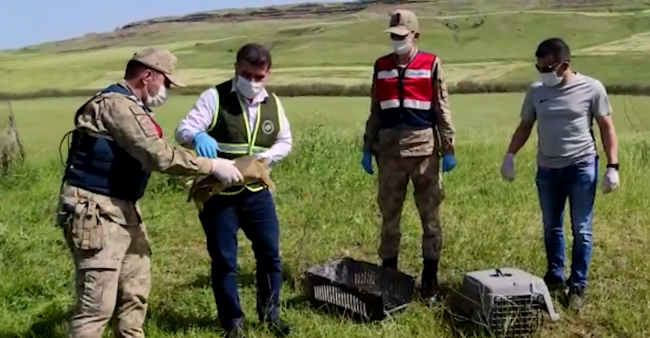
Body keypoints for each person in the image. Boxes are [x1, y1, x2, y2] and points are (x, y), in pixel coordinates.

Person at [56, 47, 245, 338]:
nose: (167, 90)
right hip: (95, 211)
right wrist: (211, 166)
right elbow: (159, 155)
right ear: (147, 76)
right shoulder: (117, 106)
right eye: (166, 82)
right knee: (97, 307)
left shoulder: (135, 107)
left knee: (134, 293)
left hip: (124, 208)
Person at [175, 43, 292, 338]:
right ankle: (232, 323)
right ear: (236, 69)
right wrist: (198, 134)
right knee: (225, 260)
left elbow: (285, 140)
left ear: (268, 74)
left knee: (270, 255)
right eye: (246, 74)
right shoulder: (214, 97)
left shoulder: (273, 104)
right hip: (219, 196)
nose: (252, 82)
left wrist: (269, 157)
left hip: (257, 193)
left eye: (259, 76)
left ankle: (270, 314)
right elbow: (183, 129)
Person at [501, 37, 620, 311]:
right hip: (547, 170)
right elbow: (525, 126)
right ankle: (555, 278)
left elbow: (607, 128)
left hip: (581, 167)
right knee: (551, 226)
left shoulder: (592, 88)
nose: (543, 73)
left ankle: (578, 285)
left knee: (581, 229)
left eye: (547, 68)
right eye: (539, 68)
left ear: (564, 65)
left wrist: (613, 167)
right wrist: (510, 155)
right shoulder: (536, 91)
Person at [361, 9, 457, 303]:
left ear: (415, 35)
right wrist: (366, 147)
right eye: (393, 36)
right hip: (389, 154)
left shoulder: (431, 64)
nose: (397, 41)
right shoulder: (381, 66)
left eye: (402, 36)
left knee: (430, 218)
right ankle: (389, 278)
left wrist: (449, 146)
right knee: (389, 218)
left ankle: (430, 282)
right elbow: (375, 110)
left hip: (424, 153)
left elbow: (441, 106)